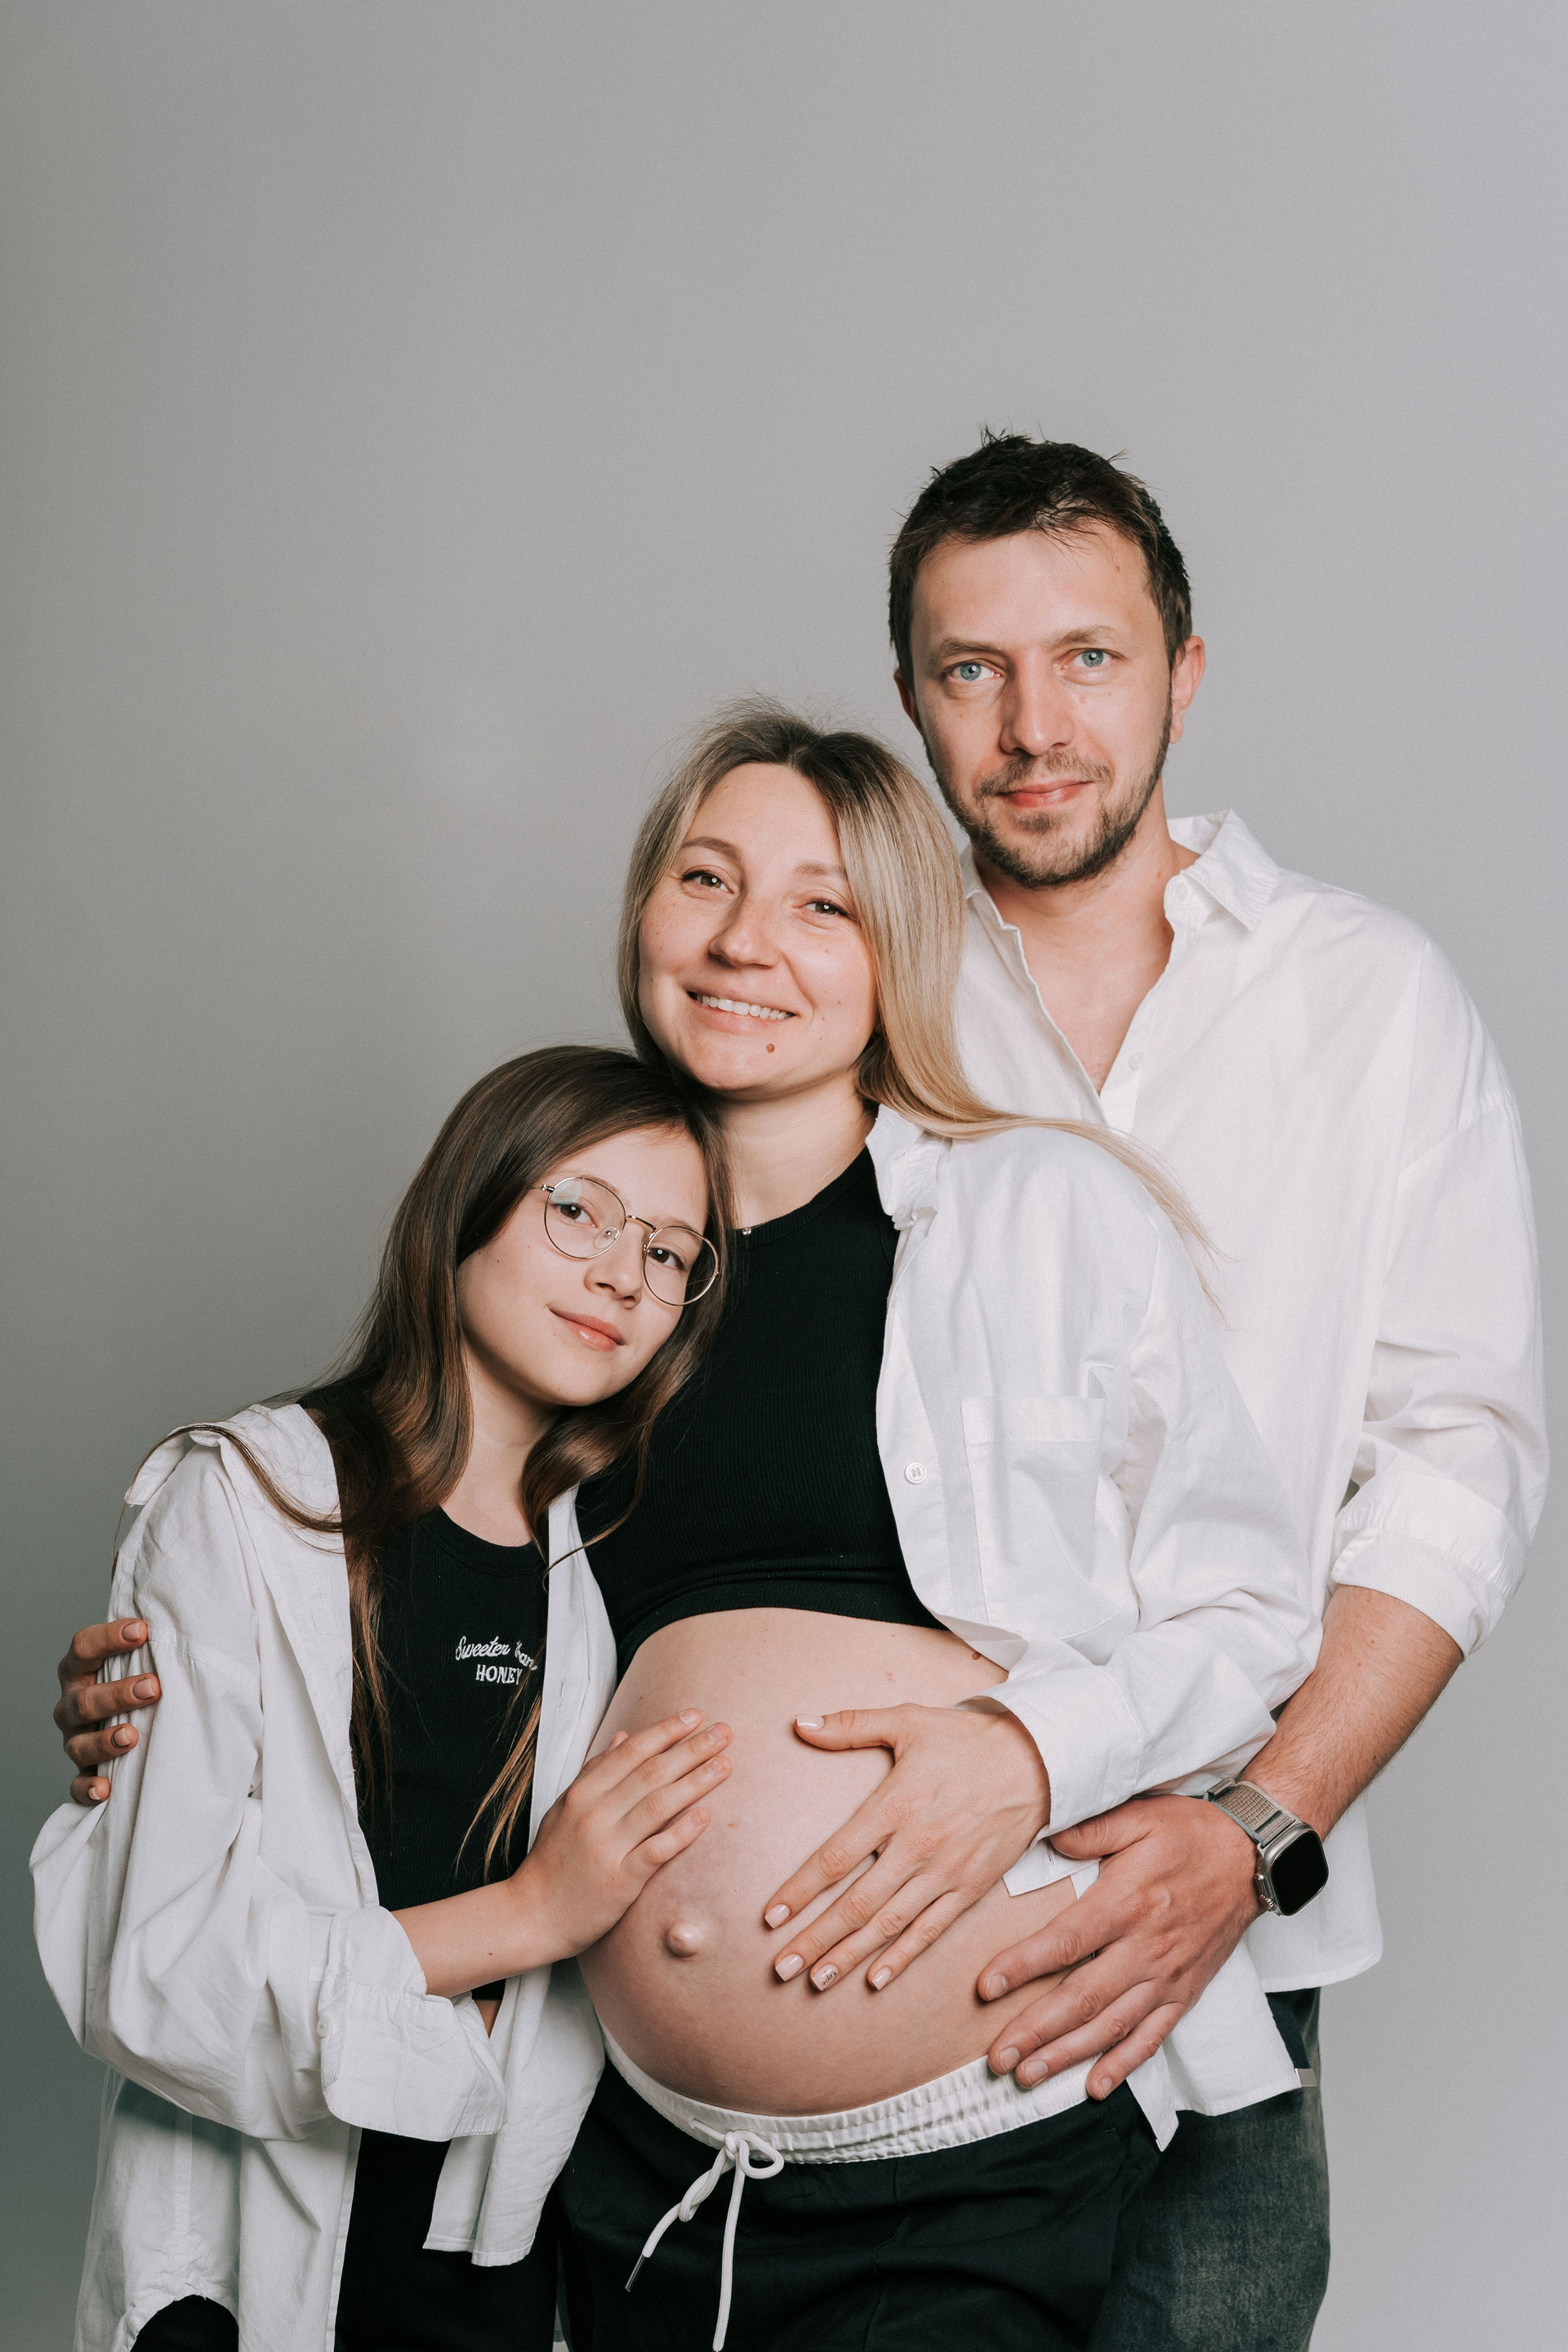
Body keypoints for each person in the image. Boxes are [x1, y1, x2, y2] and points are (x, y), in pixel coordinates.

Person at [49, 710, 1316, 2351]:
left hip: (982, 2138)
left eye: (821, 905)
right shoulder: (582, 1287)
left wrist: (1029, 1749)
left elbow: (1248, 1608)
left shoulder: (1043, 1214)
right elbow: (395, 1622)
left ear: (898, 950)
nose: (744, 941)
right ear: (642, 908)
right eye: (704, 880)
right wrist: (164, 1699)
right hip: (625, 2166)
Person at [847, 430, 1546, 2349]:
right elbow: (610, 1345)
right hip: (889, 1901)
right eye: (972, 669)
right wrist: (249, 1618)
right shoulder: (848, 996)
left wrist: (1256, 1832)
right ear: (909, 695)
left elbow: (1458, 1470)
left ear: (1186, 673)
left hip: (1229, 1921)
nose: (1032, 727)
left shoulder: (1371, 1004)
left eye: (1089, 657)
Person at [32, 1046, 737, 2352]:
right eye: (577, 1210)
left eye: (668, 1251)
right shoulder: (244, 1501)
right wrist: (528, 1916)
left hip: (508, 2270)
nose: (621, 1275)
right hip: (254, 2265)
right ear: (468, 1201)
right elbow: (163, 1975)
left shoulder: (614, 1555)